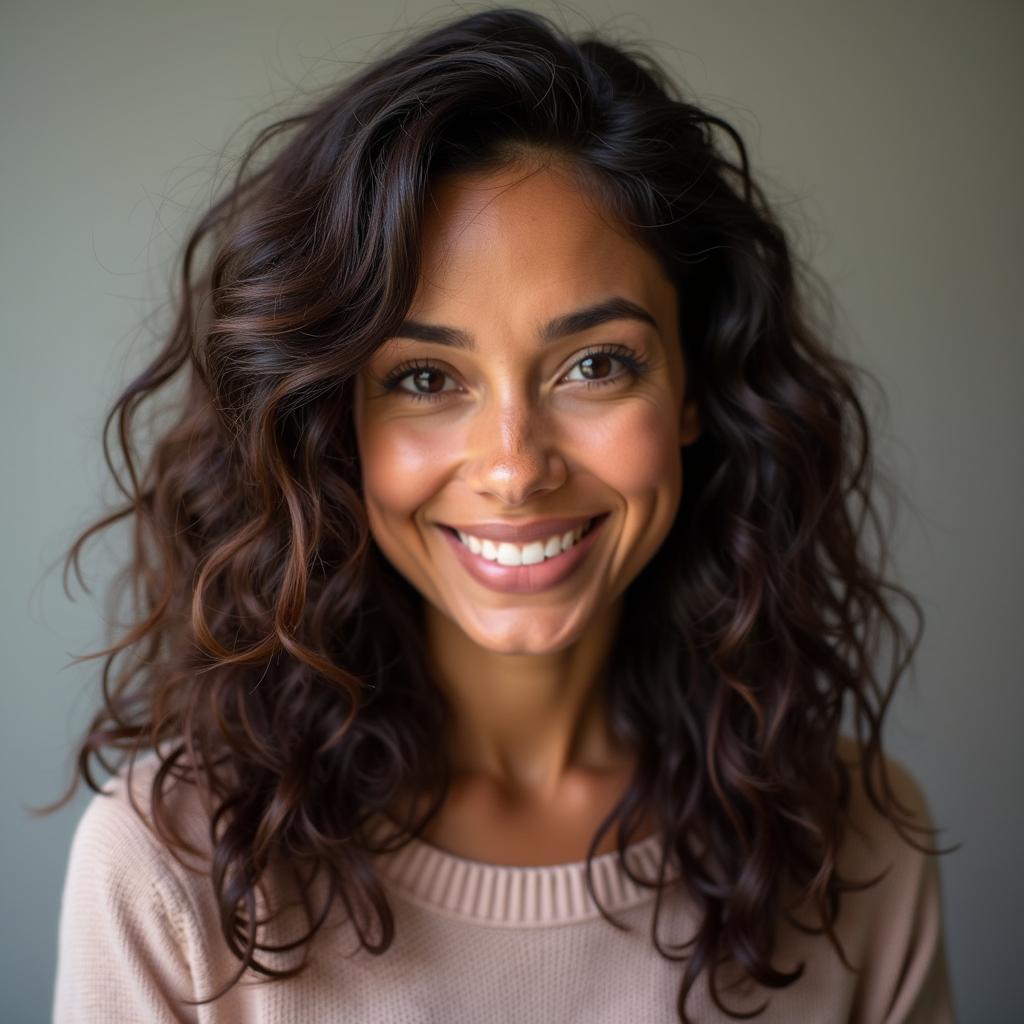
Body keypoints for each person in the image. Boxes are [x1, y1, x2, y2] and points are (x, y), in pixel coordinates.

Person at [44, 7, 955, 1022]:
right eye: (426, 376)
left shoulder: (855, 841)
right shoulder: (169, 870)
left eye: (596, 364)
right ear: (329, 422)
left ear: (694, 387)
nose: (515, 467)